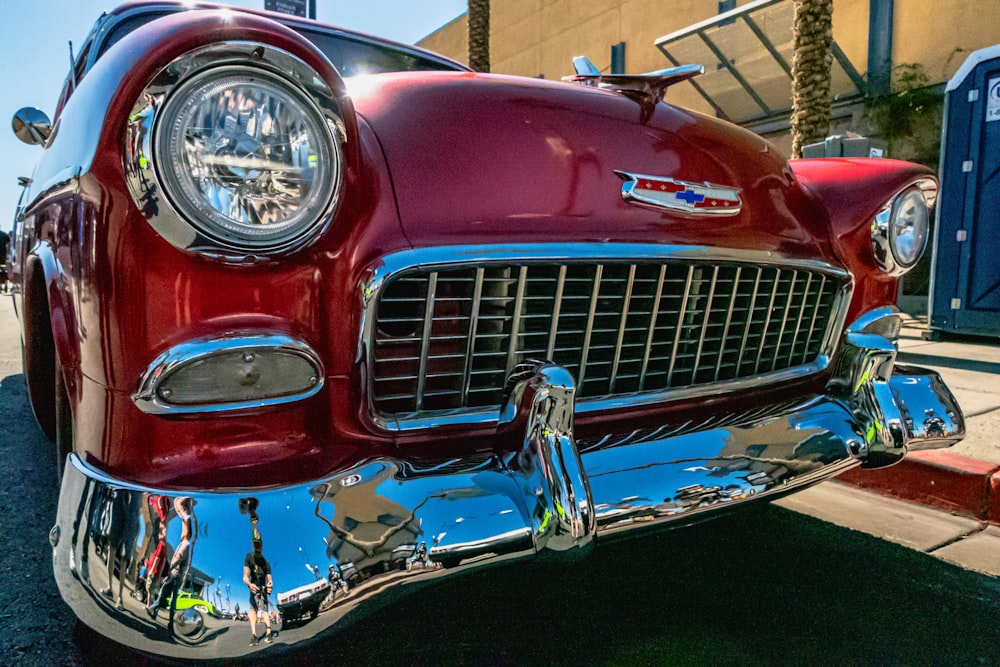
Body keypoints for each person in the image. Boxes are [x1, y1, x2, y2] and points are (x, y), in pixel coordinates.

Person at [243, 539, 273, 646]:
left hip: (262, 590)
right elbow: (245, 576)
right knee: (253, 609)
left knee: (264, 609)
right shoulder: (249, 557)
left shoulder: (266, 563)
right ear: (252, 545)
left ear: (262, 546)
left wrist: (270, 585)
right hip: (253, 588)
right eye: (255, 545)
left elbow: (269, 579)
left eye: (259, 545)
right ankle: (254, 635)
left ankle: (269, 633)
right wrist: (249, 584)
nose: (257, 548)